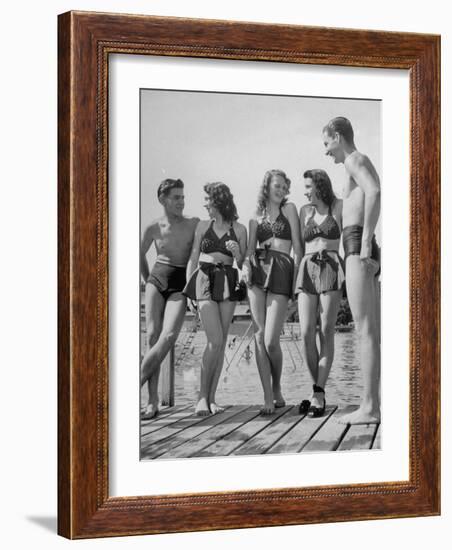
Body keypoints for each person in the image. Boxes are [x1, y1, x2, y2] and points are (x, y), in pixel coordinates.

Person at [323, 116, 381, 424]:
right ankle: (373, 403)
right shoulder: (354, 163)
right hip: (357, 241)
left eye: (326, 143)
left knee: (365, 330)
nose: (326, 151)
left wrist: (367, 242)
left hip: (359, 242)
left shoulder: (355, 159)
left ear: (337, 136)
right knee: (370, 330)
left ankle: (369, 408)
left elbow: (374, 192)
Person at [184, 182, 247, 416]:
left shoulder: (239, 229)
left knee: (220, 345)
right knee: (214, 340)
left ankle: (212, 398)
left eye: (208, 200)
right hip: (203, 278)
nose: (205, 204)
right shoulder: (202, 225)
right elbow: (193, 258)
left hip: (229, 280)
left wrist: (237, 252)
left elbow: (242, 263)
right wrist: (188, 290)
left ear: (219, 201)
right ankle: (201, 397)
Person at [242, 170, 302, 415]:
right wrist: (245, 266)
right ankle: (267, 394)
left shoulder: (290, 210)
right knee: (258, 335)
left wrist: (296, 284)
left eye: (284, 186)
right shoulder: (255, 217)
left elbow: (297, 248)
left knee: (271, 340)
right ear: (266, 187)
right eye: (276, 185)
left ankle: (277, 386)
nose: (281, 190)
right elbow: (248, 252)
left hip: (283, 270)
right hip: (258, 271)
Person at [140, 179, 199, 419]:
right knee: (152, 336)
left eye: (183, 197)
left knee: (169, 336)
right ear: (163, 199)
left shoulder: (193, 224)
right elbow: (138, 254)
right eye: (176, 197)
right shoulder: (153, 227)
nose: (181, 202)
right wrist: (147, 280)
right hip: (156, 279)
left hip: (179, 284)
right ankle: (152, 400)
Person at [296, 169, 344, 417]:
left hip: (331, 266)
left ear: (320, 185)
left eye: (308, 187)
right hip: (306, 268)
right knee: (305, 332)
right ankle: (318, 391)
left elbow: (351, 237)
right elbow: (297, 248)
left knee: (326, 331)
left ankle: (317, 393)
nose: (304, 192)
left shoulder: (338, 206)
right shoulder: (304, 212)